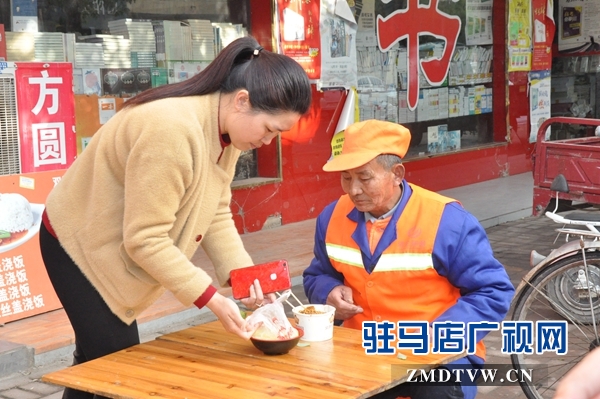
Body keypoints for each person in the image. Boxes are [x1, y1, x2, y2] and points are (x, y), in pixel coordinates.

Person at [39, 36, 311, 399]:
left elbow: (214, 210)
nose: (268, 142)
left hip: (113, 244)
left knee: (96, 368)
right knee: (121, 375)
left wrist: (245, 281)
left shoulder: (228, 131)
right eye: (270, 130)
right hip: (78, 246)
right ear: (242, 100)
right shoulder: (172, 130)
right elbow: (145, 240)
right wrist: (212, 298)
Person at [303, 120, 515, 399]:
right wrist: (327, 291)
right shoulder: (331, 217)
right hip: (361, 350)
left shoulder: (446, 221)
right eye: (346, 177)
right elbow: (317, 274)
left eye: (364, 177)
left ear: (397, 174)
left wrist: (436, 338)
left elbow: (494, 290)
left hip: (438, 357)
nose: (353, 189)